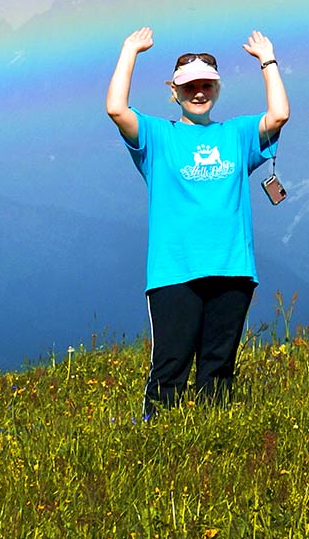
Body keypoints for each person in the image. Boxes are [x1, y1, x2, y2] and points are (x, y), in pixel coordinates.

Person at [105, 27, 290, 417]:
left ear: (217, 89)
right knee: (170, 366)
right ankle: (157, 439)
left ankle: (211, 440)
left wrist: (268, 61)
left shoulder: (237, 133)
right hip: (174, 272)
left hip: (232, 268)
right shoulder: (157, 136)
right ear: (174, 91)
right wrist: (129, 51)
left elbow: (279, 115)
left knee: (218, 367)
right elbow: (117, 109)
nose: (199, 93)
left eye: (207, 85)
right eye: (190, 87)